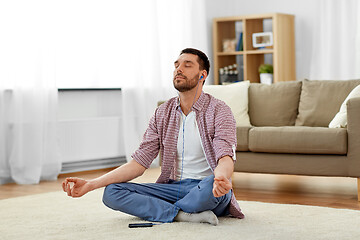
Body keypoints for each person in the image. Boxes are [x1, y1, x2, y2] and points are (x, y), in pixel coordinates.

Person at [62, 48, 244, 225]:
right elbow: (138, 163)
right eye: (176, 65)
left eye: (187, 65)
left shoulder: (220, 110)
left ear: (202, 75)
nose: (178, 69)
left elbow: (225, 157)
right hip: (172, 188)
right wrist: (91, 184)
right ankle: (183, 214)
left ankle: (164, 211)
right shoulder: (162, 112)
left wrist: (220, 178)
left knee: (210, 186)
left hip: (206, 187)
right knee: (112, 192)